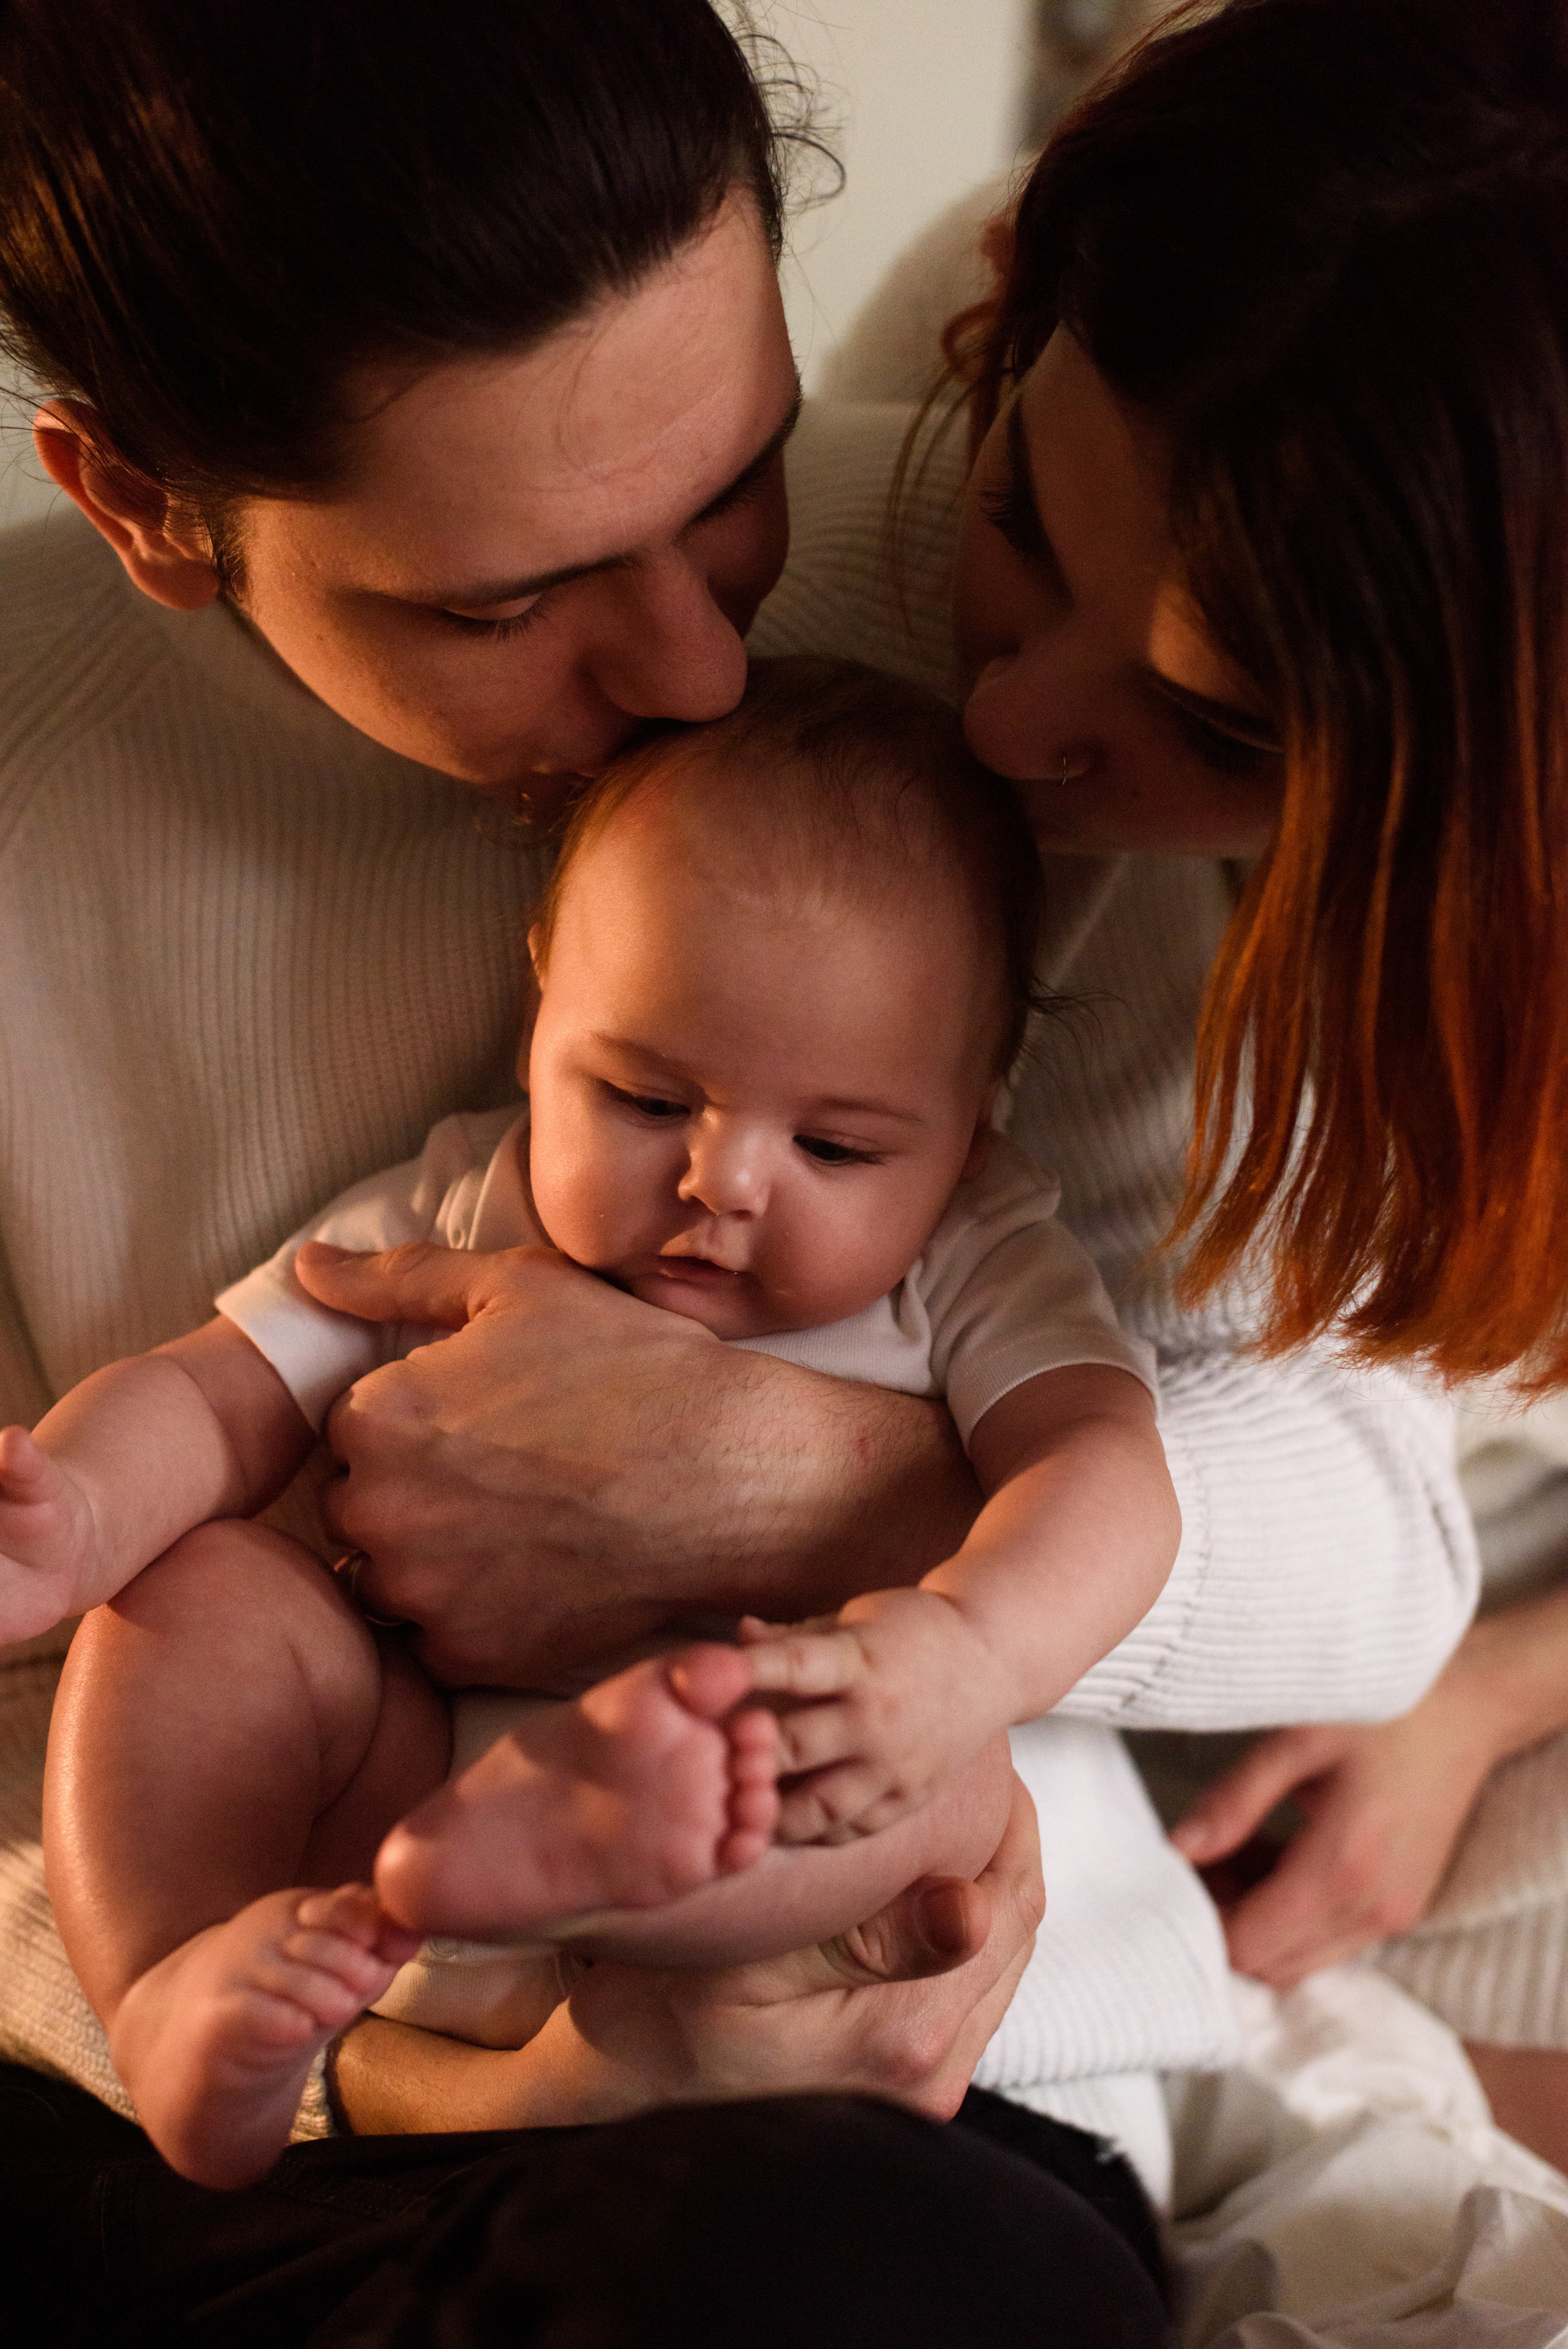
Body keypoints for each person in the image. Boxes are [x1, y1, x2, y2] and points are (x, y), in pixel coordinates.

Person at [0, 0, 1540, 2329]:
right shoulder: (37, 795)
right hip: (225, 2047)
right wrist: (410, 2069)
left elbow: (1374, 1522)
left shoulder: (1084, 657)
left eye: (740, 480)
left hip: (862, 2089)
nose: (707, 669)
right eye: (503, 599)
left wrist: (797, 1490)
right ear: (139, 503)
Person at [15, 658, 1173, 2190]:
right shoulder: (464, 1201)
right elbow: (214, 1390)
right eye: (643, 1098)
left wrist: (965, 1651)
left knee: (936, 1772)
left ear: (973, 1125)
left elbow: (1103, 1471)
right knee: (194, 1595)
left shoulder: (972, 1260)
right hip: (384, 1835)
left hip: (749, 1938)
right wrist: (80, 1512)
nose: (720, 1181)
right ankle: (174, 1986)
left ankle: (596, 1850)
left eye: (834, 1145)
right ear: (539, 1006)